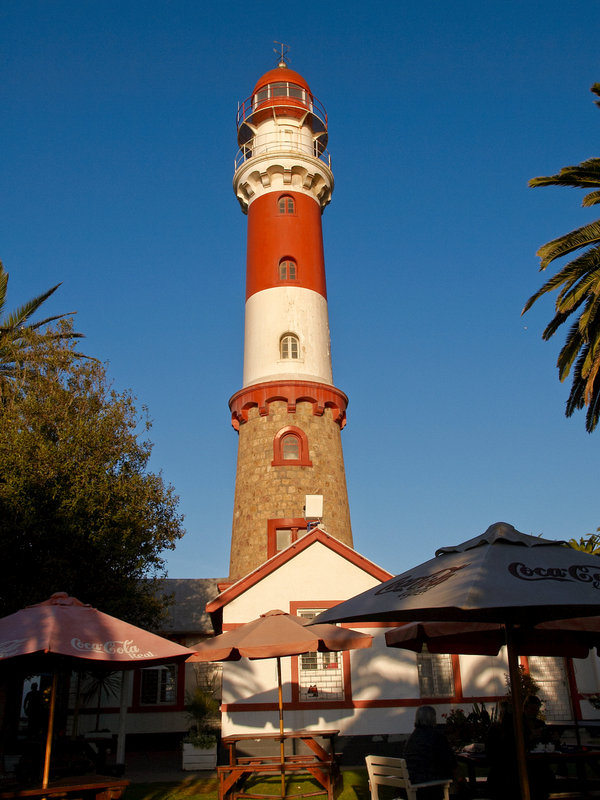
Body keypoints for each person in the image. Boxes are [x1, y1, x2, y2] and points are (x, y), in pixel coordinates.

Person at [404, 705, 457, 799]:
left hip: (411, 780)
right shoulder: (437, 737)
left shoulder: (413, 737)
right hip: (428, 784)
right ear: (433, 718)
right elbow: (449, 762)